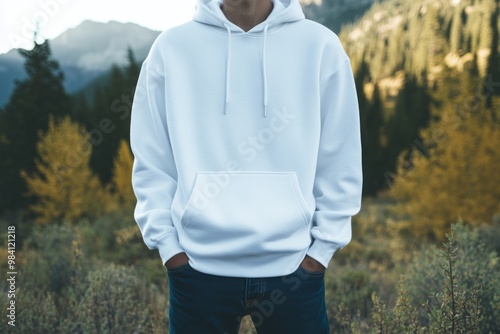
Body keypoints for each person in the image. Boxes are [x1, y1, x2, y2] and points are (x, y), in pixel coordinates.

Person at [130, 0, 362, 332]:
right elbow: (152, 159)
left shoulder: (320, 46)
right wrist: (169, 247)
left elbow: (340, 158)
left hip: (295, 271)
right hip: (197, 270)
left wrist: (321, 251)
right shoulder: (171, 49)